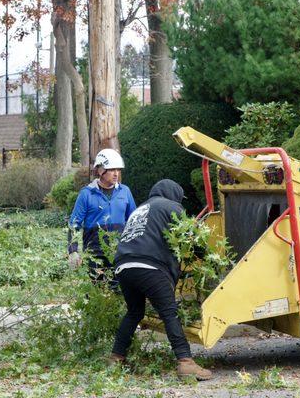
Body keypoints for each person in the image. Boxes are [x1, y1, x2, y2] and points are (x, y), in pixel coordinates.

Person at [108, 179, 212, 381]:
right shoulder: (171, 206)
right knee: (169, 312)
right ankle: (185, 362)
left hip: (123, 266)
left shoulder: (141, 209)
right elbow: (190, 237)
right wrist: (208, 259)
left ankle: (116, 358)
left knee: (134, 312)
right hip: (149, 267)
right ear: (173, 195)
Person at [68, 149, 136, 287]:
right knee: (97, 293)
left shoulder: (125, 191)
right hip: (94, 255)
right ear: (100, 171)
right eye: (111, 169)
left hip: (119, 252)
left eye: (118, 169)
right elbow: (74, 224)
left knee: (120, 291)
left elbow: (134, 220)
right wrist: (73, 251)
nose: (116, 173)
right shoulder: (86, 194)